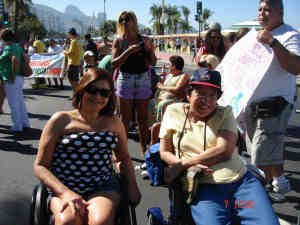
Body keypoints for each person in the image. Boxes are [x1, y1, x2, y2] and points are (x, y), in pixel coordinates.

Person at [159, 69, 279, 225]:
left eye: (212, 95)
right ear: (189, 94)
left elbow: (225, 150)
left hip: (240, 186)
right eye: (201, 93)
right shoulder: (173, 111)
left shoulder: (225, 113)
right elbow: (164, 151)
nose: (206, 101)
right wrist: (179, 165)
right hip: (205, 189)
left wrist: (184, 164)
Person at [34, 68, 141, 225]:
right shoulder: (61, 120)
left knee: (100, 221)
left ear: (109, 96)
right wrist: (65, 193)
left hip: (102, 186)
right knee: (68, 220)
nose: (98, 96)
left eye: (104, 93)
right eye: (92, 90)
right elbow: (40, 166)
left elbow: (123, 157)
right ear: (82, 90)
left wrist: (132, 185)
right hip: (63, 185)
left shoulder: (114, 122)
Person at [245, 0, 300, 201]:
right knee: (265, 149)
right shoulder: (254, 35)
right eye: (259, 9)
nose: (262, 13)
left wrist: (273, 42)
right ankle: (280, 181)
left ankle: (258, 198)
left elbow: (296, 66)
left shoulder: (289, 35)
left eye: (267, 9)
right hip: (252, 104)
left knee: (259, 154)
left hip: (275, 104)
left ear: (280, 12)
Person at [111, 11, 156, 156]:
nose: (124, 22)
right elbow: (114, 63)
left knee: (142, 120)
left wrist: (149, 51)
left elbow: (153, 62)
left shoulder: (144, 39)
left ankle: (145, 152)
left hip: (143, 78)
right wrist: (128, 51)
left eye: (127, 19)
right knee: (125, 119)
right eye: (121, 20)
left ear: (134, 21)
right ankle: (121, 154)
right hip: (126, 79)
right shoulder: (119, 41)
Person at [0, 29, 30, 133]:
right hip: (19, 77)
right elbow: (26, 58)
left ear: (3, 38)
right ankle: (25, 122)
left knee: (13, 103)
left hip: (11, 78)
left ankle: (17, 126)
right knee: (20, 101)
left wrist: (12, 75)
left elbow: (14, 60)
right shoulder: (17, 47)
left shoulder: (8, 48)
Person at [155, 55, 189, 121]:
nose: (168, 67)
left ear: (174, 66)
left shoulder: (184, 76)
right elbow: (163, 86)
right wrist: (163, 77)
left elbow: (177, 89)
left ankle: (161, 124)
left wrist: (162, 87)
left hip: (175, 100)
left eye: (169, 65)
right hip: (162, 98)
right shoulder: (170, 75)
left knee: (162, 104)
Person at [64, 28, 82, 92]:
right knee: (75, 80)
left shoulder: (73, 41)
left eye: (68, 33)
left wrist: (65, 52)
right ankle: (76, 94)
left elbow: (70, 52)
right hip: (77, 63)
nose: (67, 35)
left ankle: (76, 94)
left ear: (70, 33)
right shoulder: (78, 41)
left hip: (72, 63)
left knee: (72, 80)